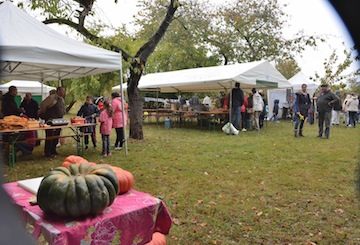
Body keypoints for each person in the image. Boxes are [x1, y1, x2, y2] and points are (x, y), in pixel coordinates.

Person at [39, 87, 66, 157]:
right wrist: (45, 115)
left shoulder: (61, 99)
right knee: (49, 136)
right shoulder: (52, 98)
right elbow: (43, 105)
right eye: (63, 91)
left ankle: (53, 150)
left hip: (59, 121)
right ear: (59, 91)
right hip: (50, 120)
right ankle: (47, 152)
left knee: (56, 135)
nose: (64, 92)